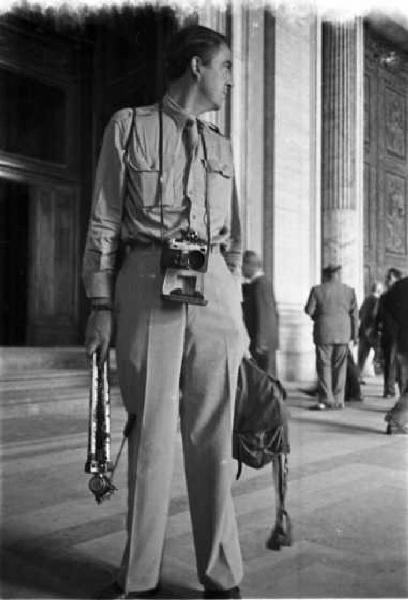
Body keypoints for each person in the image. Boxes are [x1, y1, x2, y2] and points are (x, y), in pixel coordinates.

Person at [82, 25, 245, 599]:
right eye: (225, 66)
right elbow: (104, 219)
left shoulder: (222, 146)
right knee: (150, 433)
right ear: (197, 65)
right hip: (149, 280)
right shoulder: (128, 126)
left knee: (214, 438)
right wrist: (100, 302)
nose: (230, 77)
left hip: (215, 291)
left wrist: (237, 313)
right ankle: (141, 577)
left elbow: (234, 241)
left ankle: (222, 576)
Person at [304, 264, 358, 410]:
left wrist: (318, 316)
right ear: (338, 275)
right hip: (343, 333)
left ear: (325, 275)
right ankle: (339, 400)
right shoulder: (349, 291)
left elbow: (309, 310)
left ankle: (327, 399)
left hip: (324, 332)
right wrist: (355, 335)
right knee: (340, 367)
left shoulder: (317, 290)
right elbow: (354, 316)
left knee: (324, 366)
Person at [241, 250, 279, 377]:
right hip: (262, 340)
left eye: (243, 266)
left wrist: (261, 341)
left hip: (262, 342)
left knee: (264, 379)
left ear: (250, 265)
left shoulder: (260, 284)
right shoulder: (258, 283)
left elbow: (265, 314)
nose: (241, 270)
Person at [383, 275, 408, 434]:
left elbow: (384, 305)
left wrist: (397, 330)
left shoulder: (399, 286)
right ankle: (396, 419)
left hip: (403, 341)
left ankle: (396, 419)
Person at [376, 268, 402, 398]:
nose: (386, 281)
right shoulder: (384, 297)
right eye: (387, 278)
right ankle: (389, 390)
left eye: (389, 278)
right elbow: (379, 316)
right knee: (389, 362)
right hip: (390, 335)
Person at [357, 281, 383, 383]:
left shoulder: (366, 299)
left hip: (363, 331)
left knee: (362, 357)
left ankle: (358, 377)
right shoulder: (378, 300)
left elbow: (360, 314)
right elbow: (375, 316)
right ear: (379, 290)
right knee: (380, 352)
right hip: (373, 331)